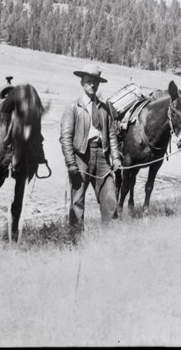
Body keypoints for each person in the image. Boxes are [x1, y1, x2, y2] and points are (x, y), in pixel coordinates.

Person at [59, 64, 122, 242]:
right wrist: (71, 163)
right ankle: (76, 242)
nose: (92, 85)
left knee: (110, 199)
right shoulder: (73, 107)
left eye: (95, 82)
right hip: (81, 157)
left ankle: (109, 243)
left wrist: (116, 157)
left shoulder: (104, 108)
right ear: (82, 83)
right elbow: (65, 137)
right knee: (77, 202)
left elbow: (111, 135)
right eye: (88, 82)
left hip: (102, 158)